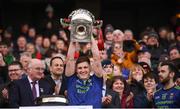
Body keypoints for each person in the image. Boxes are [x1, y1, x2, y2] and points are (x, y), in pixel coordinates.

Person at [65, 36, 104, 108]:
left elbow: (96, 59)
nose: (83, 70)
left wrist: (90, 33)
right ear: (76, 70)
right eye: (80, 68)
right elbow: (70, 59)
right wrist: (74, 34)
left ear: (90, 68)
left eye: (85, 67)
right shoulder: (71, 80)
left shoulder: (96, 80)